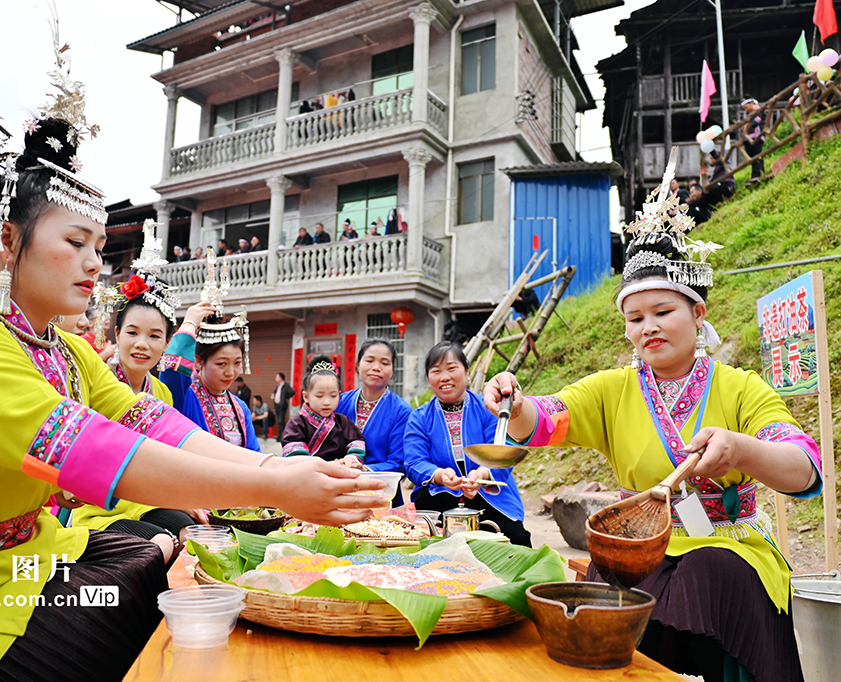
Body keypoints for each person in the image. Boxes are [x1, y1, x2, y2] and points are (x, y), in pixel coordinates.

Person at [0, 37, 384, 682]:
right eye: (75, 242)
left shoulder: (61, 349)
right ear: (9, 241)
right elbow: (91, 453)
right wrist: (274, 488)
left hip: (20, 562)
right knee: (134, 607)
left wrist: (271, 461)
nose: (94, 264)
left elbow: (147, 422)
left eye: (98, 246)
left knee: (156, 575)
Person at [483, 185, 821, 681]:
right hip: (635, 544)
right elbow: (549, 416)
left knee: (711, 572)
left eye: (663, 312)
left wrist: (743, 449)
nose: (649, 328)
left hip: (725, 543)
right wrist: (513, 403)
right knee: (614, 575)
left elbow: (803, 466)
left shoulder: (739, 387)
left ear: (697, 312)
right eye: (635, 318)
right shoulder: (612, 390)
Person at [73, 247, 207, 548]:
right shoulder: (94, 385)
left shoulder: (161, 393)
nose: (142, 344)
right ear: (116, 333)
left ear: (166, 343)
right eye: (132, 333)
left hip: (148, 501)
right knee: (158, 543)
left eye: (154, 336)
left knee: (193, 533)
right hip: (100, 506)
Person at [405, 342, 531, 547]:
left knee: (515, 540)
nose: (444, 377)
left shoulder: (487, 408)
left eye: (451, 368)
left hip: (488, 492)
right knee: (427, 544)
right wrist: (441, 475)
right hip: (440, 494)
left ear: (467, 372)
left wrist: (481, 476)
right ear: (429, 379)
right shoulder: (418, 418)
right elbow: (414, 462)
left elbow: (501, 452)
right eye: (436, 371)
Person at [160, 298, 262, 451]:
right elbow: (171, 371)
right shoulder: (186, 396)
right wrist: (189, 324)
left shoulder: (241, 408)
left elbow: (254, 454)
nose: (230, 372)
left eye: (237, 363)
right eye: (221, 364)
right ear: (199, 361)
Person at [338, 339, 412, 506]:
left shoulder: (401, 411)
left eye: (384, 363)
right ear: (357, 365)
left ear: (393, 371)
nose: (376, 367)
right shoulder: (341, 402)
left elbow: (400, 463)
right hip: (338, 489)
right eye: (369, 360)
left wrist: (364, 470)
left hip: (381, 495)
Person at [281, 355, 365, 464]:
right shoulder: (297, 424)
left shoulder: (343, 422)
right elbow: (293, 449)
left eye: (333, 395)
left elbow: (356, 441)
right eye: (320, 396)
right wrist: (319, 465)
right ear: (306, 396)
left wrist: (351, 458)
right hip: (308, 474)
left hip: (338, 473)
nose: (327, 402)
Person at [741, 97, 765, 185]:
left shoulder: (758, 110)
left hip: (756, 136)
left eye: (746, 107)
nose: (746, 110)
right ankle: (755, 174)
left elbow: (755, 122)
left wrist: (746, 125)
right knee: (753, 156)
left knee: (757, 155)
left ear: (751, 103)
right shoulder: (751, 114)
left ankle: (758, 173)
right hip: (749, 138)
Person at [272, 371, 295, 442]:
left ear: (281, 378)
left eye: (277, 377)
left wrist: (286, 398)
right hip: (277, 406)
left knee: (281, 421)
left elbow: (292, 392)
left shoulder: (286, 385)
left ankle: (283, 436)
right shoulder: (278, 386)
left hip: (282, 406)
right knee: (279, 421)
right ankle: (280, 436)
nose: (276, 378)